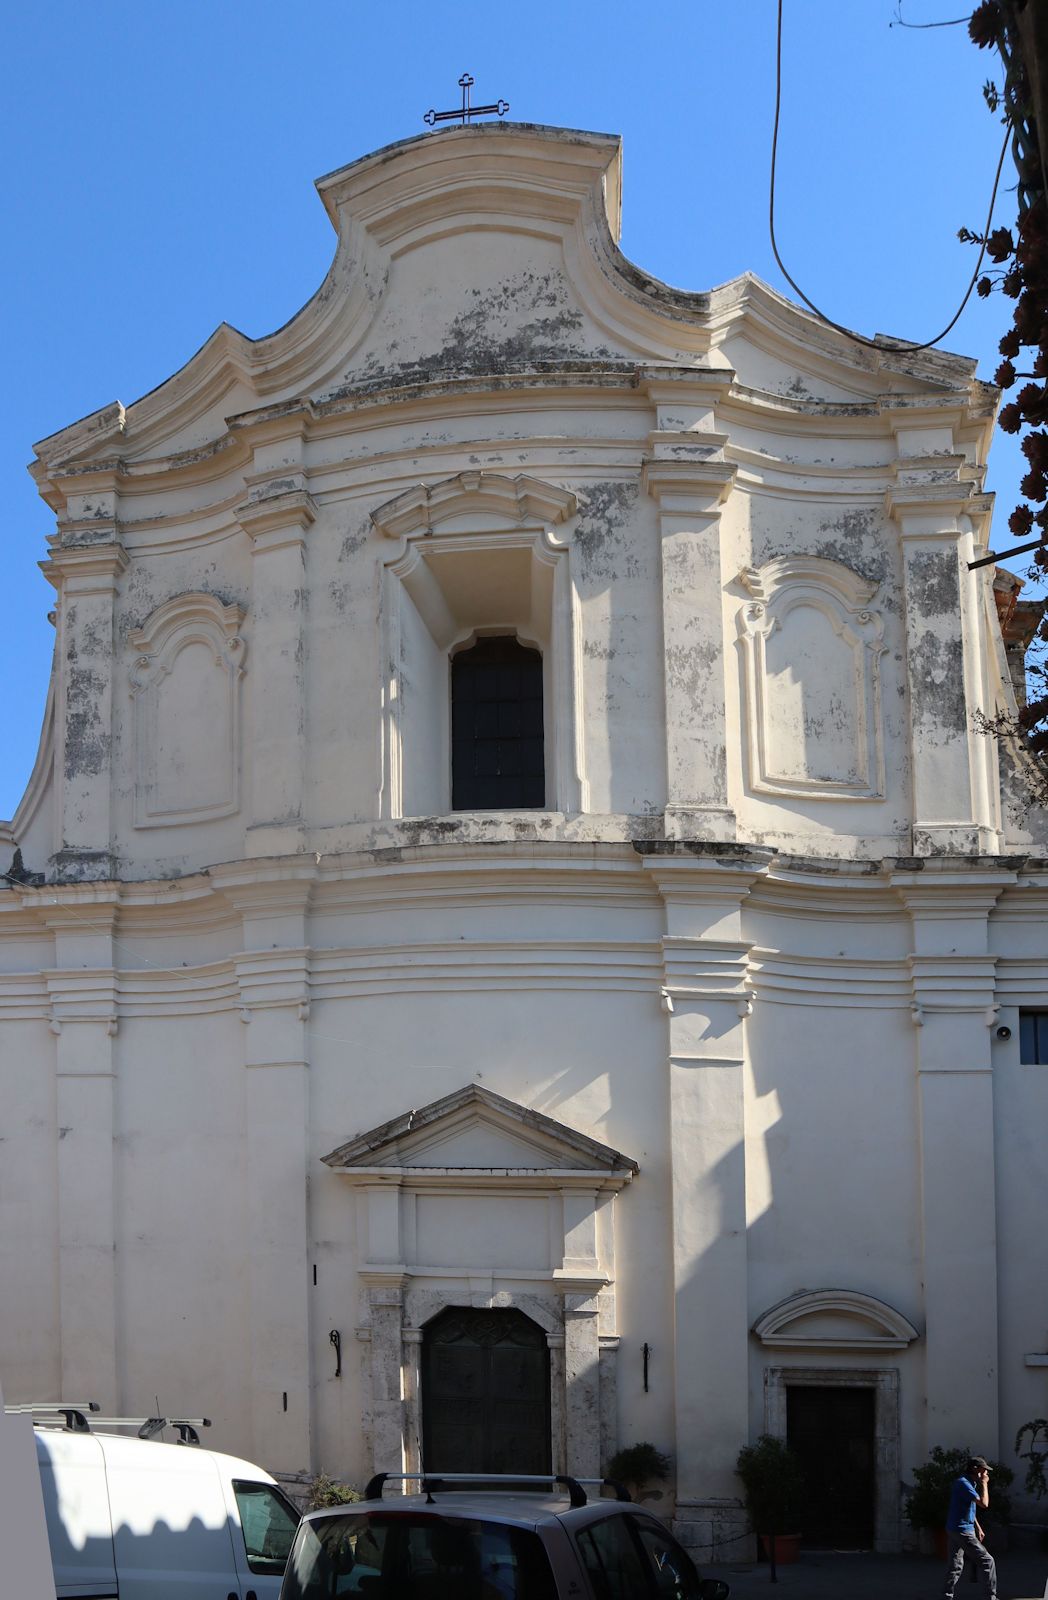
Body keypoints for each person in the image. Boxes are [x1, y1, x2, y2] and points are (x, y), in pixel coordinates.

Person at [942, 1456, 997, 1600]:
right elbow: (984, 1504)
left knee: (955, 1565)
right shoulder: (964, 1484)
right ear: (975, 1469)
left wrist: (977, 1527)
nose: (986, 1473)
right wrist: (985, 1484)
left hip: (955, 1528)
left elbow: (968, 1507)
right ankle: (991, 1597)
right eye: (984, 1470)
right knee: (987, 1561)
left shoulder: (968, 1483)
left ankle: (947, 1595)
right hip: (962, 1530)